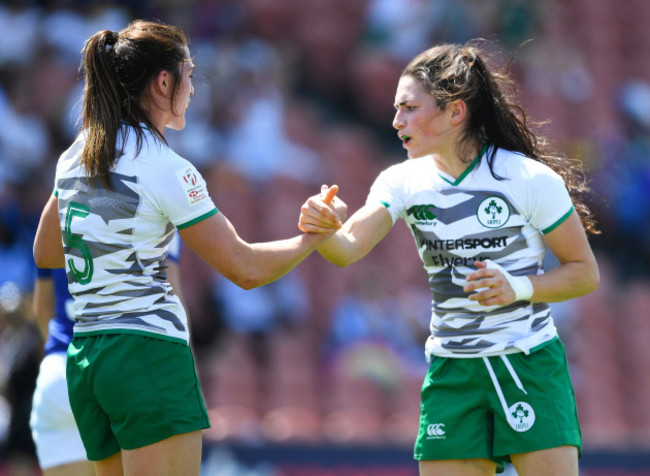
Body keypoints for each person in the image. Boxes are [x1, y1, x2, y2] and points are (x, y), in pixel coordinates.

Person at [32, 19, 341, 476]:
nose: (193, 89)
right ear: (163, 81)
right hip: (146, 354)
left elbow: (47, 252)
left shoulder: (76, 154)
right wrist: (310, 239)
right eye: (189, 75)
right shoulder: (166, 166)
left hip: (88, 358)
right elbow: (245, 268)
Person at [299, 41, 600, 476]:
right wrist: (322, 226)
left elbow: (584, 273)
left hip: (529, 364)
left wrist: (518, 287)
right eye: (396, 108)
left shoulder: (528, 179)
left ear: (455, 113)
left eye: (409, 108)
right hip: (453, 373)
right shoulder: (400, 180)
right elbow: (347, 250)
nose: (396, 120)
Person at [29, 233, 183, 476]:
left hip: (60, 373)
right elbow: (172, 301)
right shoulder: (157, 199)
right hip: (124, 372)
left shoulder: (60, 202)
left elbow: (41, 309)